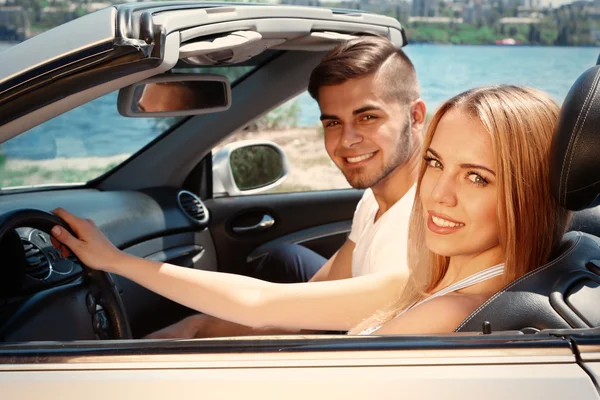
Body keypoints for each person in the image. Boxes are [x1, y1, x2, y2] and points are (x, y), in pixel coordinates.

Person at [50, 85, 571, 336]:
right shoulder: (435, 284)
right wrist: (117, 261)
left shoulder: (445, 313)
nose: (439, 195)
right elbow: (262, 303)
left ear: (527, 193)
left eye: (477, 177)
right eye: (435, 163)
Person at [49, 35, 428, 337]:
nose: (346, 141)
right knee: (279, 259)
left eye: (367, 117)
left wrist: (116, 261)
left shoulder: (422, 229)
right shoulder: (377, 200)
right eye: (332, 123)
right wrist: (199, 328)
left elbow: (263, 303)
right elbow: (308, 305)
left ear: (415, 116)